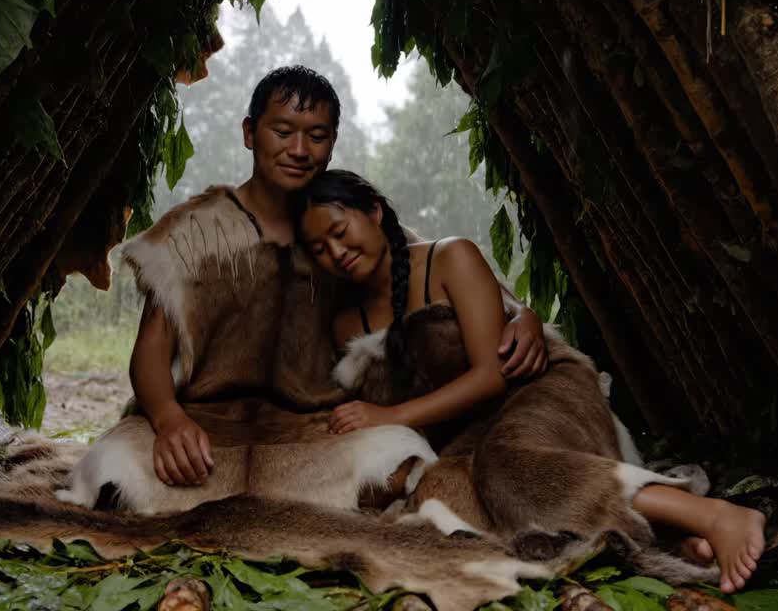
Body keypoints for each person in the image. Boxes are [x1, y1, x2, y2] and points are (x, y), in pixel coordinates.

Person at [56, 66, 547, 516]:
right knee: (111, 470)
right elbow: (150, 352)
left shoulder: (335, 226)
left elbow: (423, 259)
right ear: (251, 133)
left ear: (331, 143)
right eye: (283, 131)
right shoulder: (193, 230)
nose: (298, 150)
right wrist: (167, 419)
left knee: (401, 466)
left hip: (312, 425)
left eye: (315, 136)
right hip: (204, 420)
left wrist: (521, 313)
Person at [295, 169, 768, 594]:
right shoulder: (345, 325)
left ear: (374, 212)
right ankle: (662, 535)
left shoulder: (449, 258)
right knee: (441, 506)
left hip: (536, 391)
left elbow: (490, 377)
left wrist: (389, 414)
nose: (336, 252)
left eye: (340, 231)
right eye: (319, 248)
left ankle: (714, 515)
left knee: (506, 464)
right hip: (466, 438)